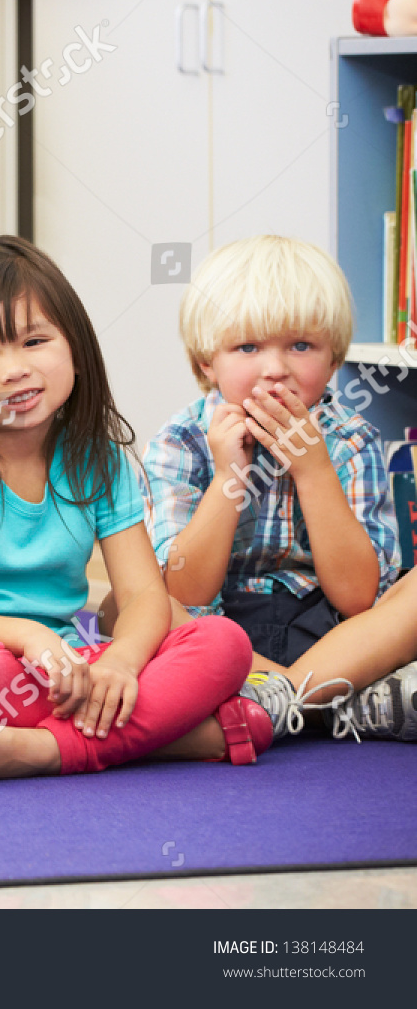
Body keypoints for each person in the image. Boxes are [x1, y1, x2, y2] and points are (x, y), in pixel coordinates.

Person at [0, 237, 267, 789]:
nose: (14, 370)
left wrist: (121, 663)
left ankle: (43, 749)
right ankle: (173, 738)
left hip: (63, 674)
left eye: (34, 341)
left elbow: (141, 596)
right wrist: (28, 638)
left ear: (75, 350)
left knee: (222, 641)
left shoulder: (100, 462)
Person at [139, 235, 417, 742]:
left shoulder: (352, 440)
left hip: (332, 630)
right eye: (247, 347)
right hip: (222, 633)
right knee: (130, 603)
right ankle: (333, 703)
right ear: (207, 362)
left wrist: (313, 471)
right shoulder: (180, 442)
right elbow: (186, 590)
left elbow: (358, 598)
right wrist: (229, 478)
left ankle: (276, 700)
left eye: (301, 346)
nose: (275, 368)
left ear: (333, 360)